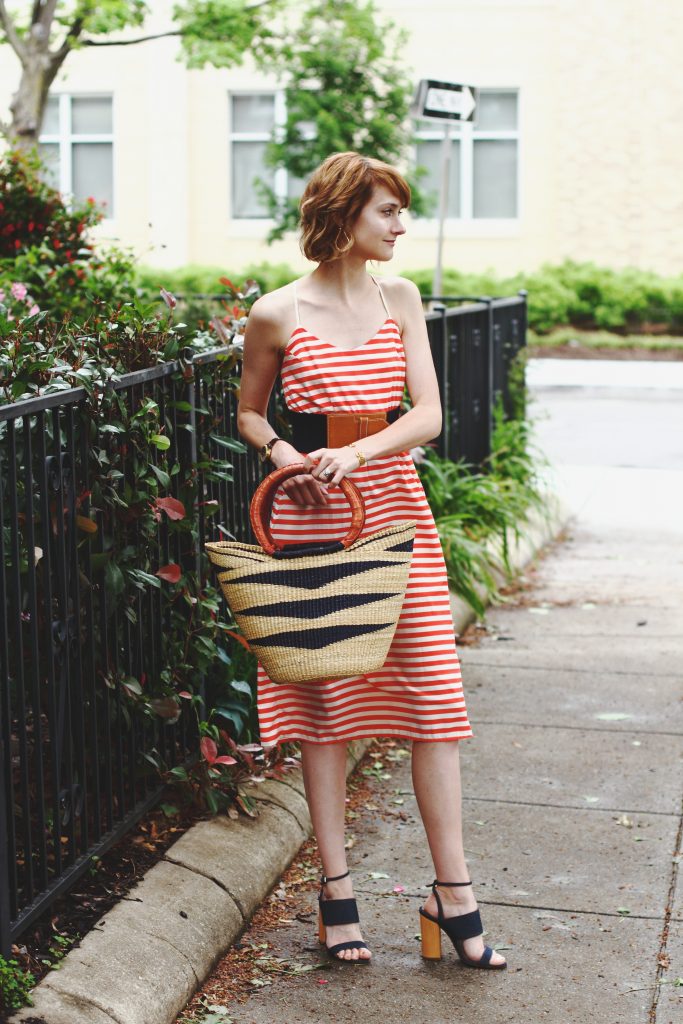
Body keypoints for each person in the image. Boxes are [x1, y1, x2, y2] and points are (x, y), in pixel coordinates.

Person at [236, 152, 506, 970]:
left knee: (433, 700)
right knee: (326, 703)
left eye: (401, 211)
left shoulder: (401, 296)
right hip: (313, 511)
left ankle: (451, 893)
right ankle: (336, 890)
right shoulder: (276, 313)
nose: (399, 225)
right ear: (345, 213)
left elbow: (424, 415)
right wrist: (289, 452)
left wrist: (363, 455)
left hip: (393, 508)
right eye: (387, 211)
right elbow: (249, 413)